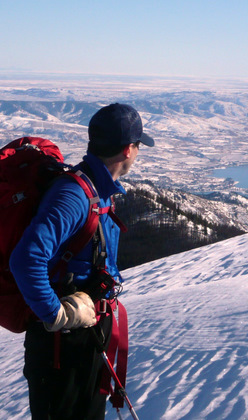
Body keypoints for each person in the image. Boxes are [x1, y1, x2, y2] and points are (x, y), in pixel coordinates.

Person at [9, 103, 154, 420]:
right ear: (129, 149)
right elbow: (25, 259)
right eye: (139, 146)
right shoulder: (74, 195)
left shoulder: (98, 189)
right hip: (61, 346)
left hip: (85, 334)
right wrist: (57, 314)